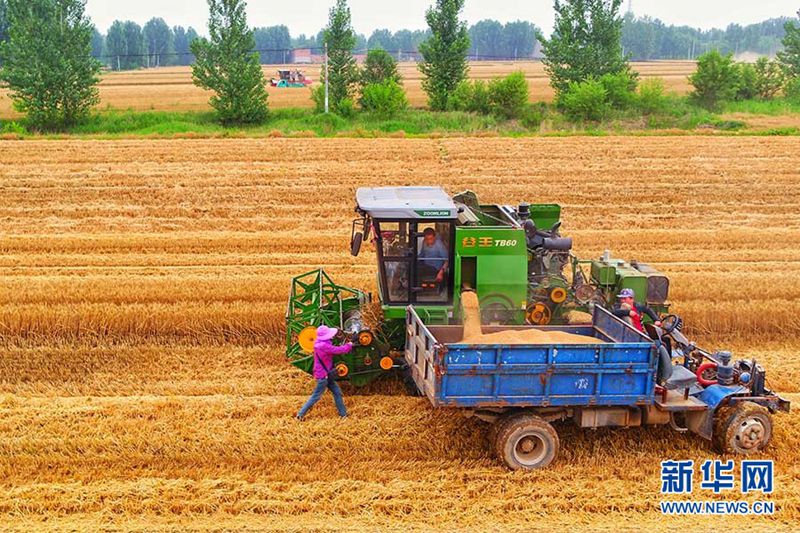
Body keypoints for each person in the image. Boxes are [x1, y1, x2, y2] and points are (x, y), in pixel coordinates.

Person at [296, 325, 353, 420]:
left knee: (337, 392)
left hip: (326, 373)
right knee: (316, 396)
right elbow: (339, 350)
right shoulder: (324, 346)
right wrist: (350, 344)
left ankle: (343, 415)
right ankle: (300, 415)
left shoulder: (319, 343)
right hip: (323, 376)